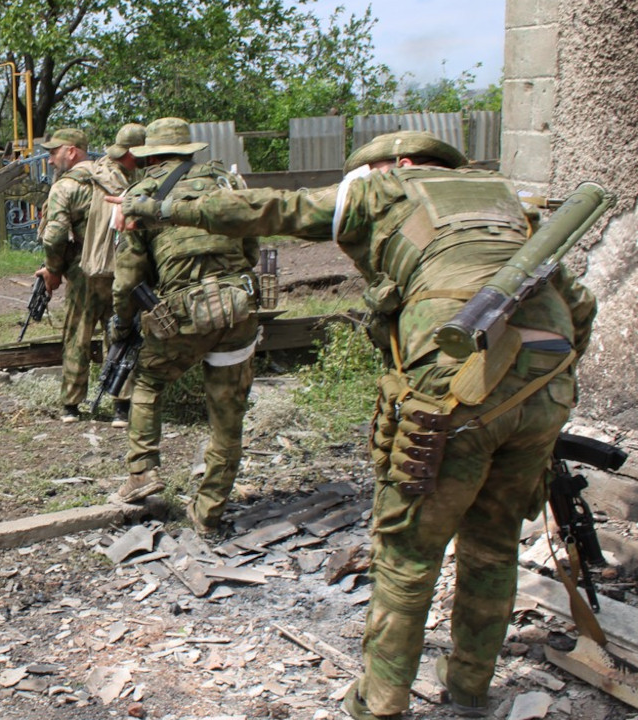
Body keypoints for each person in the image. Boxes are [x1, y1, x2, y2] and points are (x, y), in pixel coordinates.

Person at [117, 130, 597, 720]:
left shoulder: (388, 189)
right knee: (494, 542)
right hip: (547, 384)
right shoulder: (504, 201)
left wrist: (160, 207)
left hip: (456, 384)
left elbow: (270, 209)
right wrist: (545, 384)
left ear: (398, 163)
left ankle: (381, 701)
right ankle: (471, 685)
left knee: (408, 549)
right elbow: (581, 305)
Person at [109, 117, 260, 540]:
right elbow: (251, 249)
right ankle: (209, 510)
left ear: (149, 157)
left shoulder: (139, 196)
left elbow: (128, 278)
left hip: (181, 315)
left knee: (147, 382)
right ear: (189, 151)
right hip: (237, 309)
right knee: (227, 414)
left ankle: (143, 471)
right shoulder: (228, 183)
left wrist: (123, 325)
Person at [34, 124, 146, 426]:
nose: (50, 160)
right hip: (121, 267)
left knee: (77, 335)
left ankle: (71, 405)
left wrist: (53, 270)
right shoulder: (116, 176)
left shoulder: (66, 186)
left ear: (71, 152)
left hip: (83, 270)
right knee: (120, 331)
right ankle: (122, 405)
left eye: (54, 153)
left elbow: (55, 236)